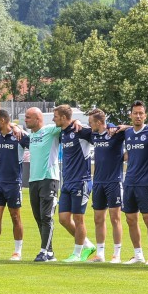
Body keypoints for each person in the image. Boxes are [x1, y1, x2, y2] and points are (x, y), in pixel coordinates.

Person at [122, 100, 148, 265]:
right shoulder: (127, 133)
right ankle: (138, 255)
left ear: (145, 115)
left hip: (145, 183)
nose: (138, 116)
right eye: (135, 113)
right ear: (131, 115)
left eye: (141, 113)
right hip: (129, 182)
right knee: (130, 219)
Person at [0, 110, 27, 261]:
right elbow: (1, 154)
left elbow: (35, 146)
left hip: (13, 183)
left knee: (15, 217)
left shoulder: (19, 136)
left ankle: (17, 251)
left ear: (2, 121)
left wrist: (17, 127)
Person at [54, 105, 95, 263]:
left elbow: (100, 131)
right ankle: (87, 245)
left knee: (79, 219)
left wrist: (111, 126)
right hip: (67, 182)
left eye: (56, 116)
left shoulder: (81, 131)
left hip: (81, 181)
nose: (53, 119)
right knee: (63, 219)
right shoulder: (62, 133)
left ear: (64, 117)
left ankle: (77, 254)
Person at [85, 109, 126, 263]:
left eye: (91, 122)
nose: (89, 125)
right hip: (98, 182)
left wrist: (117, 126)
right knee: (98, 219)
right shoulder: (93, 135)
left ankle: (116, 254)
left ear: (99, 122)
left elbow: (135, 128)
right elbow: (75, 127)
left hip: (114, 182)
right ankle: (100, 254)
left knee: (115, 218)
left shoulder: (115, 134)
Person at [22, 107, 61, 262]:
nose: (25, 120)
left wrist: (76, 121)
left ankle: (44, 251)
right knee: (38, 217)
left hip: (49, 178)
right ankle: (49, 252)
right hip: (33, 180)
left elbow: (68, 125)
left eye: (28, 117)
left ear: (38, 119)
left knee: (47, 216)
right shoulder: (31, 135)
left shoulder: (51, 130)